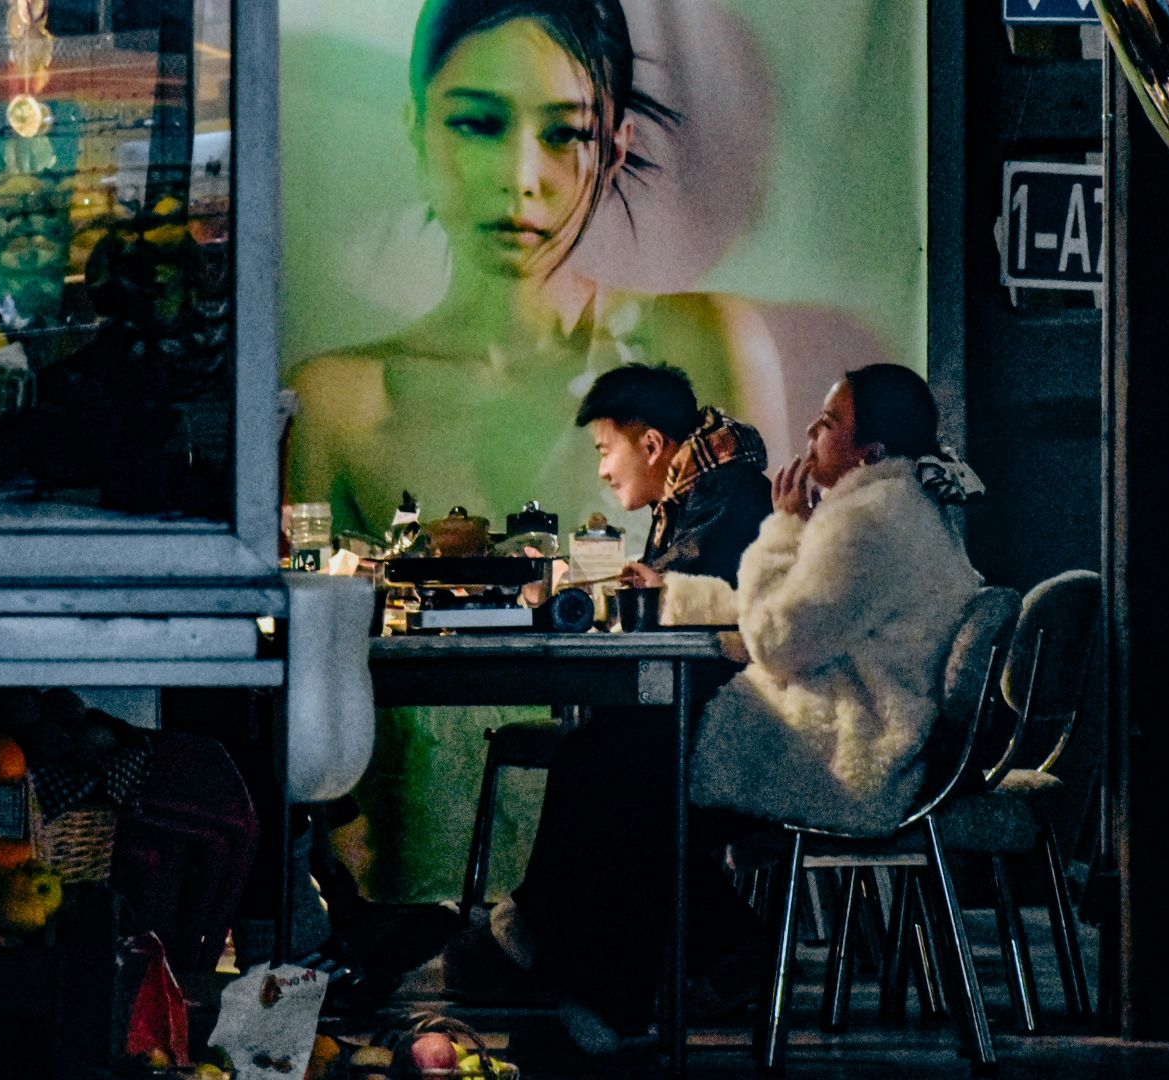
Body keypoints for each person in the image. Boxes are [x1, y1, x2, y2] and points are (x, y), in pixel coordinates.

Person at [286, 0, 889, 909]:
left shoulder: (707, 345)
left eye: (562, 134)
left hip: (654, 870)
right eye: (478, 123)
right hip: (408, 905)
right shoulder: (340, 399)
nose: (520, 178)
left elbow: (759, 625)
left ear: (614, 144)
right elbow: (310, 690)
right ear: (419, 128)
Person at [453, 363, 982, 1055]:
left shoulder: (868, 524)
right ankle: (605, 969)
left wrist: (785, 530)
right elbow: (783, 616)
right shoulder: (891, 510)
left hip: (850, 751)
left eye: (828, 424)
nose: (812, 434)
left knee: (622, 765)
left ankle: (598, 987)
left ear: (870, 453)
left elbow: (776, 638)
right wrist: (678, 595)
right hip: (856, 727)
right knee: (614, 754)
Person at [575, 363, 771, 586]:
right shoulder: (682, 500)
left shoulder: (724, 494)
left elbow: (672, 594)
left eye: (605, 452)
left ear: (652, 446)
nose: (603, 471)